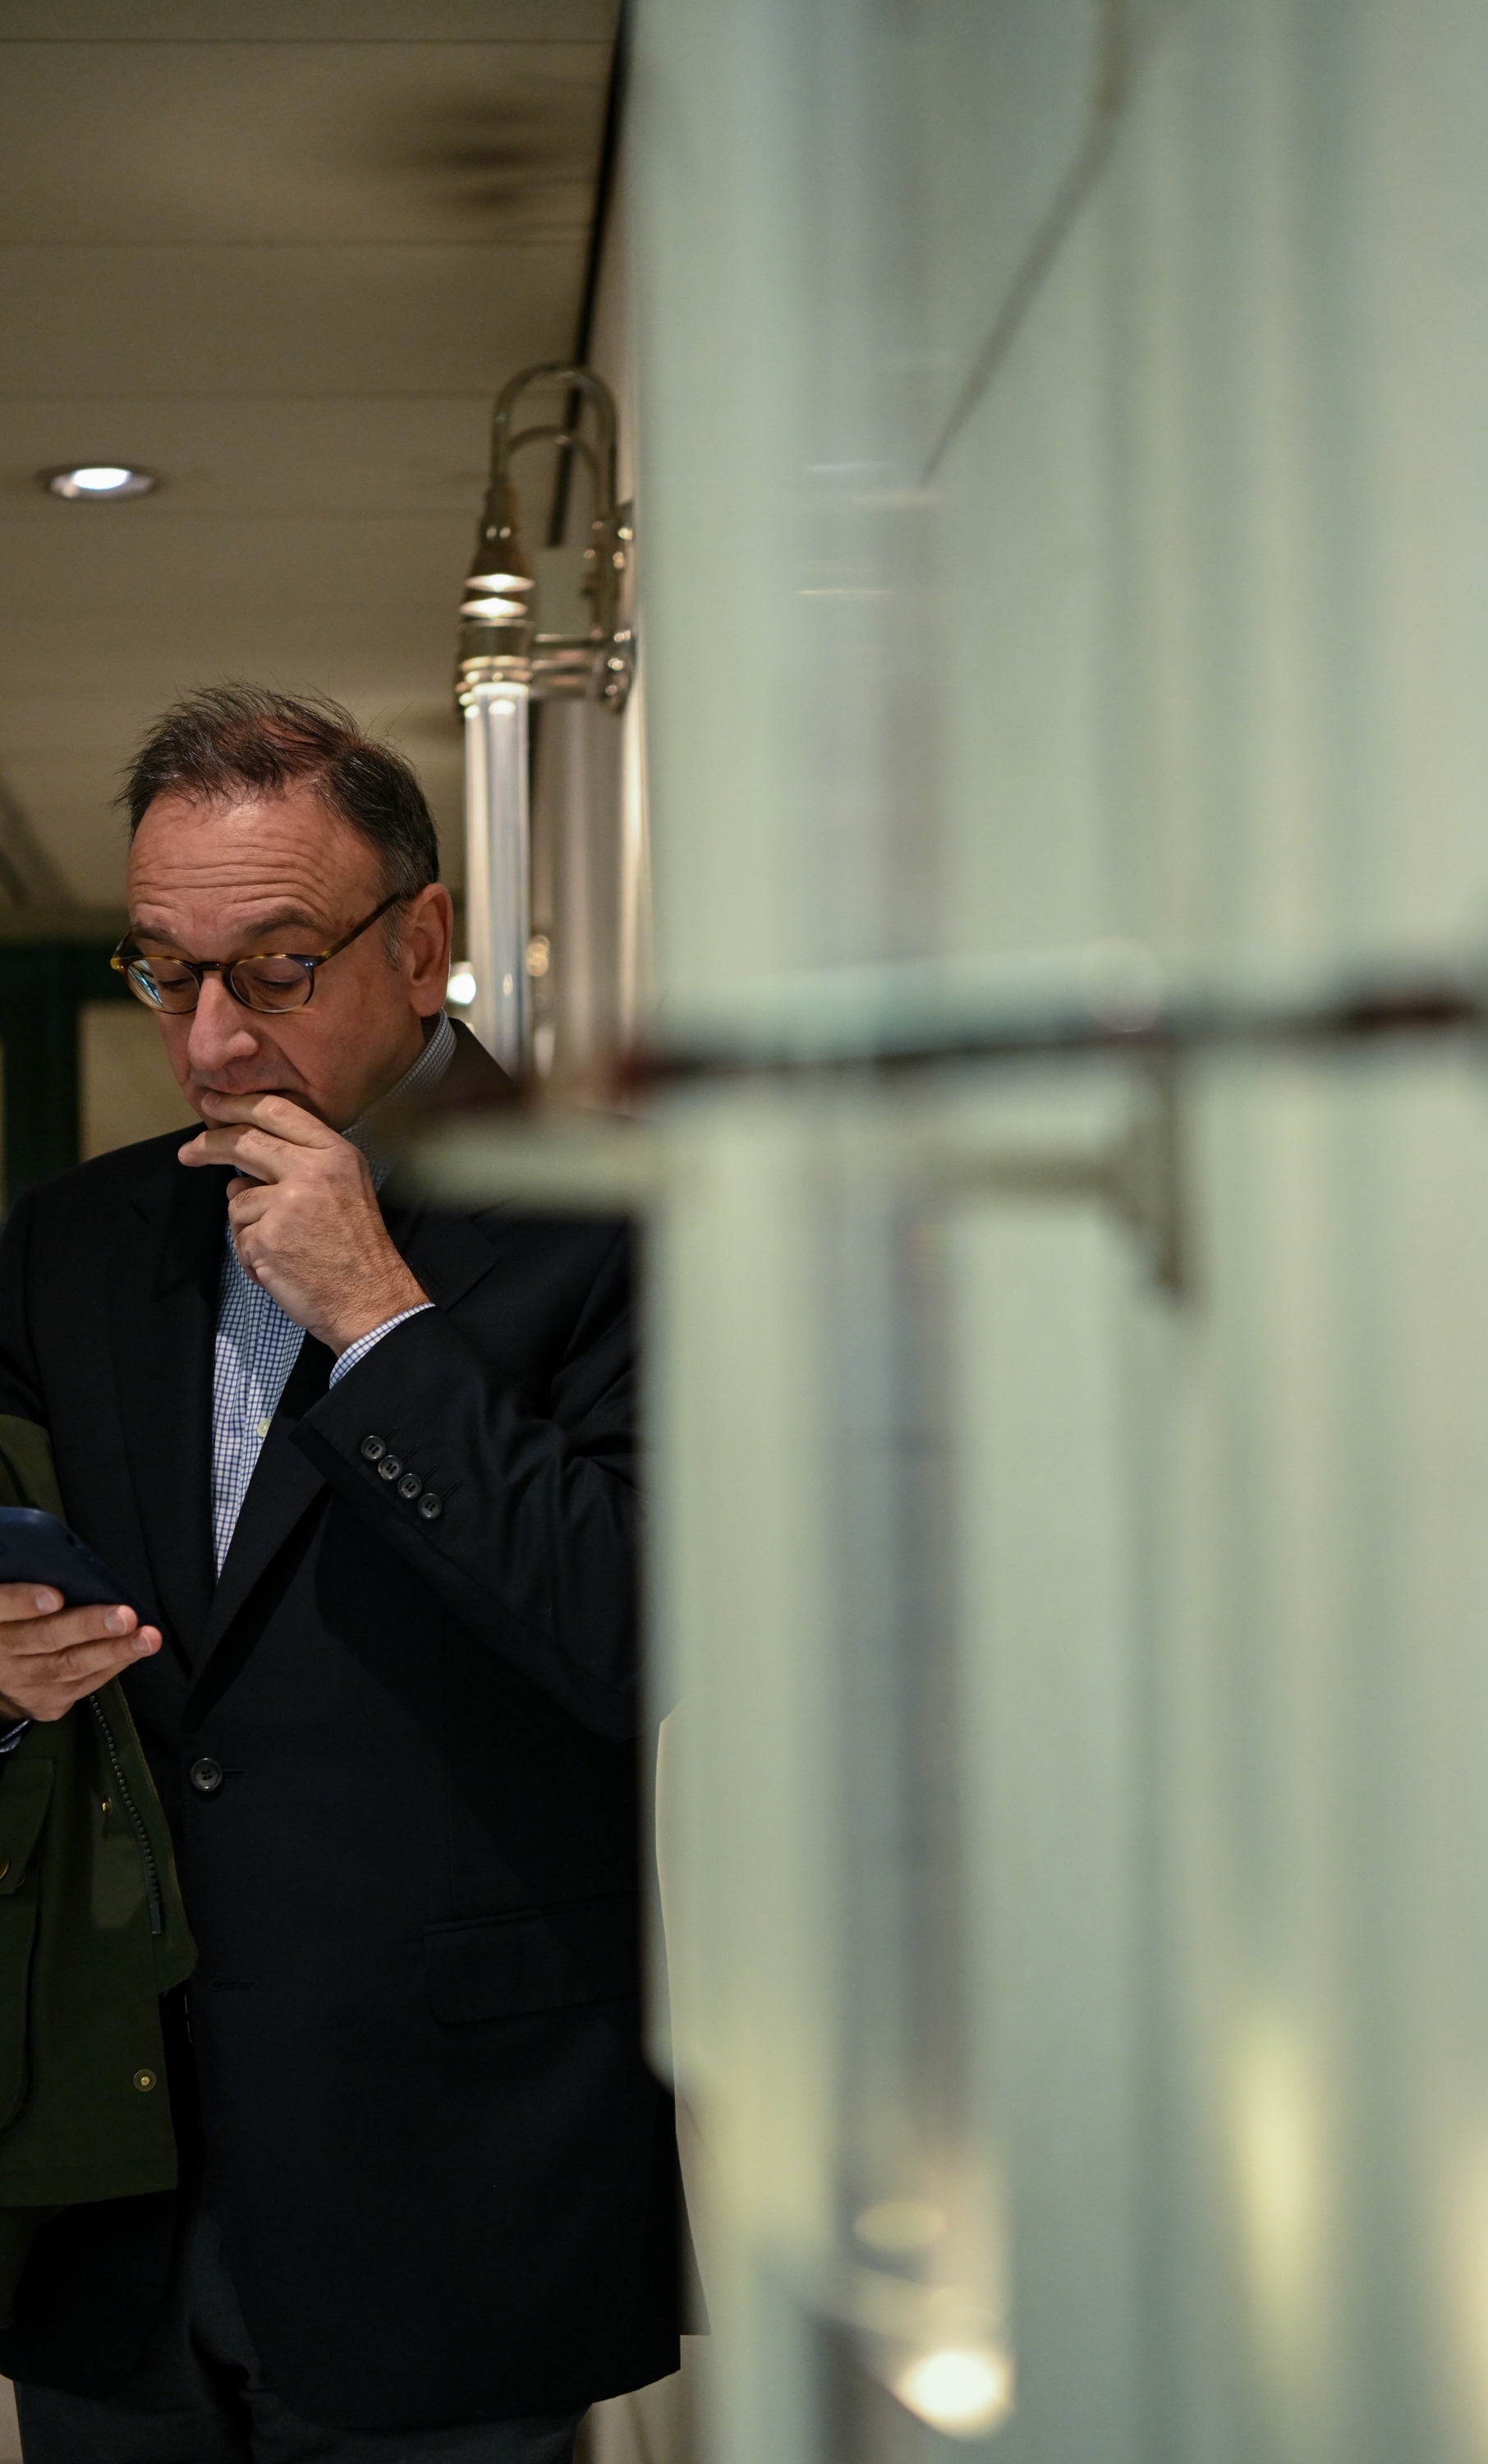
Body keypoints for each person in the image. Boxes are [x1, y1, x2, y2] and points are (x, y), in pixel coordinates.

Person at [0, 687, 681, 2461]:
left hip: (453, 2182)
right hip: (112, 2184)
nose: (213, 1041)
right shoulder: (71, 1243)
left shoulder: (628, 1217)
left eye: (278, 969)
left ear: (423, 943)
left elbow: (631, 1632)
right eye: (166, 975)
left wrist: (378, 1319)